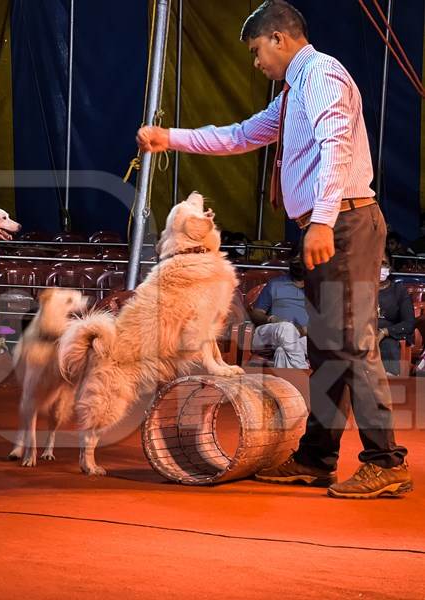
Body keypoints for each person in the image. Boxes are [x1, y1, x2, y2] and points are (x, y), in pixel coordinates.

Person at [137, 0, 411, 498]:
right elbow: (241, 136)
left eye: (256, 49)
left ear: (279, 38)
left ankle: (385, 461)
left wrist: (323, 221)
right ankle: (316, 458)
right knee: (328, 350)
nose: (256, 62)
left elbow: (336, 148)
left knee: (351, 343)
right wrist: (169, 138)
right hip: (333, 222)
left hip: (345, 222)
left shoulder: (323, 74)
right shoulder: (292, 94)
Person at [250, 256, 308, 368]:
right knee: (287, 328)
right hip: (271, 333)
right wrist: (272, 319)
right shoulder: (275, 284)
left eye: (301, 259)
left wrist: (306, 330)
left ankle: (290, 384)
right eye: (295, 258)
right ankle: (303, 371)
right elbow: (255, 314)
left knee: (282, 352)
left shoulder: (316, 287)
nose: (298, 262)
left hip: (301, 338)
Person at [378, 252, 415, 376]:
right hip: (362, 334)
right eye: (376, 263)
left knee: (388, 346)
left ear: (390, 267)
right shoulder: (359, 289)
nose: (380, 267)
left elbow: (409, 323)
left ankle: (389, 385)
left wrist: (384, 332)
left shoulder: (398, 291)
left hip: (389, 336)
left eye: (384, 264)